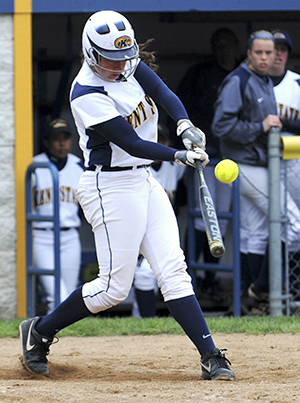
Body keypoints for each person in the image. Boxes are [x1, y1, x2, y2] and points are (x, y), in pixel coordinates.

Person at [19, 10, 235, 381]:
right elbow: (132, 143)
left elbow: (163, 93)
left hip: (143, 182)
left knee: (173, 272)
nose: (119, 67)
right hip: (109, 187)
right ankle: (38, 331)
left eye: (123, 58)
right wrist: (179, 155)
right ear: (90, 53)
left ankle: (211, 355)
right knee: (112, 288)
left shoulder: (127, 62)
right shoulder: (87, 91)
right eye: (109, 59)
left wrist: (184, 125)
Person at [211, 30, 300, 308]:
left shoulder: (261, 80)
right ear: (248, 54)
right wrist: (260, 127)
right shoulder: (238, 80)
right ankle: (262, 288)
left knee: (256, 232)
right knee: (293, 224)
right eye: (258, 52)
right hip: (245, 163)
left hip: (257, 162)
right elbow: (220, 126)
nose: (264, 57)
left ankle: (250, 299)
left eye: (269, 53)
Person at [177, 28, 240, 297]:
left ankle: (210, 277)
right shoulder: (200, 74)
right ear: (213, 47)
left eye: (229, 44)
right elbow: (179, 109)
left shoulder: (242, 75)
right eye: (219, 45)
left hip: (232, 159)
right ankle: (189, 277)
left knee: (222, 221)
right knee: (200, 218)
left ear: (237, 47)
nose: (224, 49)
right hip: (203, 156)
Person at [248, 31, 300, 302]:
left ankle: (283, 287)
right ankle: (261, 289)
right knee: (259, 228)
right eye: (272, 49)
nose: (277, 54)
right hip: (260, 163)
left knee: (293, 223)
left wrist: (284, 123)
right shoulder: (253, 83)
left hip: (294, 161)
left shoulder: (296, 84)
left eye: (282, 49)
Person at [133, 123, 186, 317]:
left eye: (161, 140)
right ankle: (143, 325)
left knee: (148, 276)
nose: (157, 144)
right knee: (136, 279)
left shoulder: (174, 167)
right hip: (135, 232)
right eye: (152, 139)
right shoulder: (134, 167)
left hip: (161, 232)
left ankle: (145, 325)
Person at [32, 118, 84, 314]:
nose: (62, 143)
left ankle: (63, 339)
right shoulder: (35, 165)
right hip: (42, 236)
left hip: (70, 235)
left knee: (69, 295)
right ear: (47, 142)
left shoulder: (79, 165)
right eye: (56, 139)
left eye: (66, 138)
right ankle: (47, 334)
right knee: (58, 295)